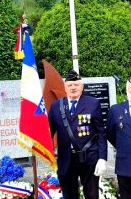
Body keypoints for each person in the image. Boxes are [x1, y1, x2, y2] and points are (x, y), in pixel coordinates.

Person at [48, 70, 107, 199]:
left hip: (89, 157)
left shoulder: (93, 103)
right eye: (70, 85)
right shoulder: (56, 106)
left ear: (82, 87)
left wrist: (102, 158)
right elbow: (48, 132)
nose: (73, 88)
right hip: (66, 159)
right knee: (69, 195)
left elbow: (101, 132)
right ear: (65, 87)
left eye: (76, 85)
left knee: (92, 195)